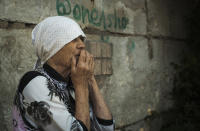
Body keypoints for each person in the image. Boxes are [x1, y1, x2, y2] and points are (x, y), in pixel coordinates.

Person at [12, 16, 114, 131]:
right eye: (74, 39)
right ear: (52, 45)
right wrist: (81, 85)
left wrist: (90, 78)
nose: (82, 45)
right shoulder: (34, 82)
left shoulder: (72, 80)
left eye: (81, 39)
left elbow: (107, 128)